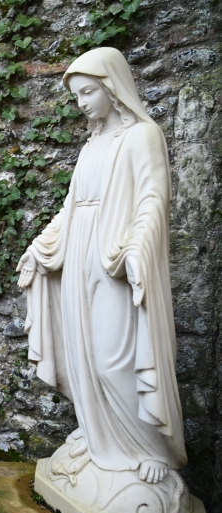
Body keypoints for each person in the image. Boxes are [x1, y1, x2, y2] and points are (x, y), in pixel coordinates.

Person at [16, 47, 187, 487]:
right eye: (77, 96)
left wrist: (137, 248)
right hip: (77, 255)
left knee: (115, 359)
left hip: (114, 255)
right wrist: (41, 248)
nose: (83, 103)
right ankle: (100, 439)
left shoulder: (142, 135)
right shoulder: (92, 144)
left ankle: (154, 451)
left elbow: (153, 199)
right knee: (85, 355)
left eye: (89, 92)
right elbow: (72, 207)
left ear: (113, 87)